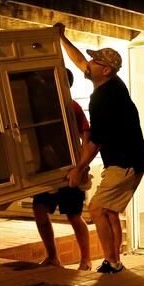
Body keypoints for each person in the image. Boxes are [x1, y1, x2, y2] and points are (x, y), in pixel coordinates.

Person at [56, 22, 144, 274]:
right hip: (128, 159)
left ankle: (113, 263)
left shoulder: (105, 99)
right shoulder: (110, 83)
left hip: (126, 161)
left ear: (106, 69)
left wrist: (78, 169)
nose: (89, 64)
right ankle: (115, 260)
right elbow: (80, 63)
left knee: (97, 208)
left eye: (95, 62)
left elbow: (96, 141)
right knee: (109, 212)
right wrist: (62, 39)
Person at [32, 69, 92, 271]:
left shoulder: (71, 106)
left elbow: (86, 134)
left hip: (69, 170)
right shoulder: (41, 107)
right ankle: (52, 256)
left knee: (74, 215)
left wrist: (83, 165)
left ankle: (86, 260)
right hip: (45, 170)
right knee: (39, 210)